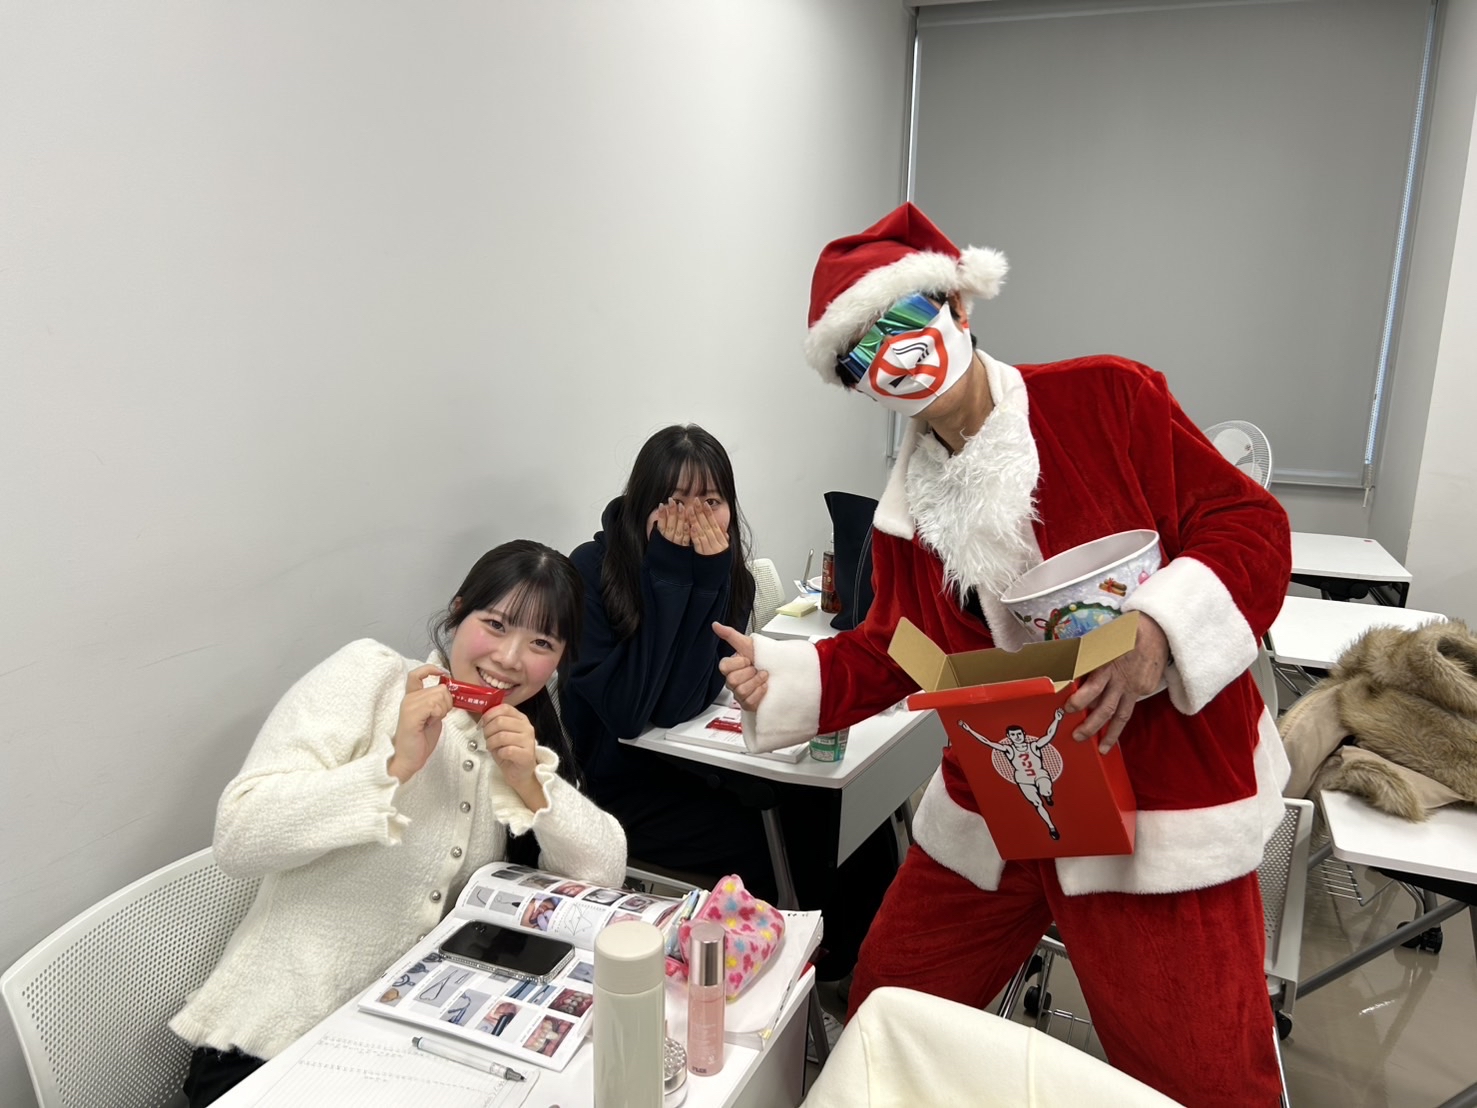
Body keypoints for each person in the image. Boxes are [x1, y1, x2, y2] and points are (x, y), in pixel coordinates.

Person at [715, 203, 1292, 1107]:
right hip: (998, 801)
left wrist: (1157, 630)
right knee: (885, 1010)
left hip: (1154, 803)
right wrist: (783, 676)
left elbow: (1247, 525)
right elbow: (898, 648)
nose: (891, 358)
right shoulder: (906, 517)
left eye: (901, 323)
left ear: (958, 306)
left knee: (1202, 1074)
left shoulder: (1107, 399)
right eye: (862, 354)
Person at [170, 540, 627, 1106]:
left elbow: (602, 877)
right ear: (457, 613)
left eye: (541, 643)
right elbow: (239, 836)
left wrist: (535, 783)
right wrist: (394, 766)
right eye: (495, 624)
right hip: (273, 1050)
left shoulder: (515, 736)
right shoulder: (373, 678)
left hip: (406, 1057)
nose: (511, 658)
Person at [559, 424, 895, 980]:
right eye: (676, 501)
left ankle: (854, 965)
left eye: (711, 502)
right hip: (619, 786)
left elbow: (688, 697)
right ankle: (794, 973)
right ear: (643, 503)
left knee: (845, 812)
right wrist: (671, 574)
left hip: (696, 764)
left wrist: (705, 578)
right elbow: (631, 712)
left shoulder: (726, 574)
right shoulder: (590, 570)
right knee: (775, 845)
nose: (694, 518)